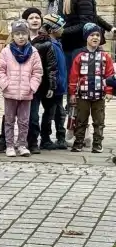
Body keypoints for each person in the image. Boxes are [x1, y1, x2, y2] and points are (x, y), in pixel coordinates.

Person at [0, 21, 43, 157]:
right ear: (13, 36)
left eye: (23, 34)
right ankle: (9, 145)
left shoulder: (33, 52)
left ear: (28, 35)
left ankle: (22, 144)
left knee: (24, 121)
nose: (21, 37)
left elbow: (37, 72)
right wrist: (6, 85)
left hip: (26, 93)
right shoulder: (6, 52)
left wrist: (32, 86)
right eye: (17, 34)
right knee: (9, 120)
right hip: (10, 92)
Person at [69, 24, 114, 153]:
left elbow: (110, 75)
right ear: (86, 38)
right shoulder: (80, 56)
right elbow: (74, 76)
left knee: (99, 120)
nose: (95, 37)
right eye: (92, 35)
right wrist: (72, 93)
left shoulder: (105, 57)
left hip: (99, 94)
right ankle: (78, 142)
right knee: (81, 119)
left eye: (97, 35)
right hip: (83, 94)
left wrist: (109, 91)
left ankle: (97, 143)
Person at [21, 7, 58, 153]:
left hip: (43, 83)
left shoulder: (46, 42)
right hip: (27, 83)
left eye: (37, 17)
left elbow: (51, 65)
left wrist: (51, 86)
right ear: (26, 21)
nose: (35, 20)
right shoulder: (21, 40)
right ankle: (31, 142)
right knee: (32, 116)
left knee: (46, 114)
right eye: (31, 18)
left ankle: (44, 139)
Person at [62, 0, 113, 68]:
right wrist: (63, 31)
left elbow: (91, 16)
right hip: (81, 44)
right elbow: (86, 23)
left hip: (74, 42)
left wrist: (110, 27)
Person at [43, 14, 69, 149]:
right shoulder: (51, 45)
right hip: (54, 86)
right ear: (53, 29)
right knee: (50, 113)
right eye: (61, 27)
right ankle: (45, 138)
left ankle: (61, 137)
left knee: (60, 113)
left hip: (60, 86)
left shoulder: (58, 43)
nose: (63, 29)